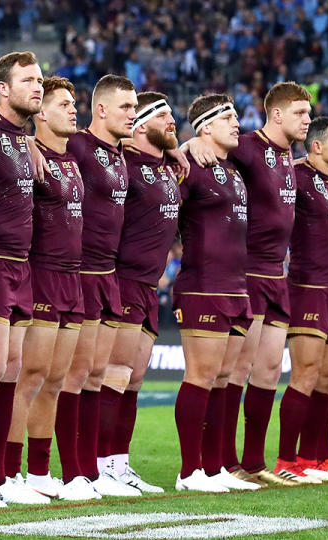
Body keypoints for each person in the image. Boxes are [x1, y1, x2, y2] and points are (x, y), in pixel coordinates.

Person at [186, 82, 311, 486]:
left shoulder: (288, 155)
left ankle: (255, 463)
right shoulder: (248, 147)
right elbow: (204, 145)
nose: (307, 120)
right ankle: (223, 461)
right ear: (276, 114)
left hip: (278, 274)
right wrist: (188, 145)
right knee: (234, 370)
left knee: (271, 369)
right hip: (248, 274)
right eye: (299, 113)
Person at [0, 51, 49, 505]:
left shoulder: (20, 136)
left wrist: (29, 140)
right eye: (28, 80)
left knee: (12, 371)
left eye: (39, 80)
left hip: (21, 264)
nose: (37, 87)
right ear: (2, 89)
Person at [60, 74, 141, 497]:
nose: (133, 114)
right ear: (103, 109)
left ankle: (90, 471)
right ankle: (69, 472)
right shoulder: (77, 145)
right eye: (127, 107)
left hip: (108, 274)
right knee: (73, 376)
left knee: (94, 376)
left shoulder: (119, 152)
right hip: (78, 273)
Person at [172, 94, 257, 492]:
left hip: (237, 288)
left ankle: (214, 467)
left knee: (224, 378)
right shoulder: (188, 165)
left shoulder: (233, 168)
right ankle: (190, 471)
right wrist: (183, 146)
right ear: (205, 127)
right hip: (203, 286)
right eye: (228, 118)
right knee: (202, 376)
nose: (237, 123)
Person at [96, 91, 179, 495]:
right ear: (140, 124)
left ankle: (118, 461)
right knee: (115, 374)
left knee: (135, 379)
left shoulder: (169, 168)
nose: (172, 121)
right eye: (163, 115)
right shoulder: (124, 162)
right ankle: (99, 465)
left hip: (148, 285)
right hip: (123, 279)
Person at [11, 76, 89, 501]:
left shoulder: (72, 162)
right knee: (31, 376)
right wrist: (25, 143)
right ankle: (9, 473)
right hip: (39, 276)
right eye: (63, 104)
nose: (73, 109)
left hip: (71, 281)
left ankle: (40, 474)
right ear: (40, 113)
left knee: (56, 379)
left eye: (73, 103)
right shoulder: (28, 156)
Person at [276, 117, 328, 483]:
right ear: (317, 146)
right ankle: (286, 460)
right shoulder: (297, 176)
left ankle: (313, 458)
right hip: (309, 288)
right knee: (304, 375)